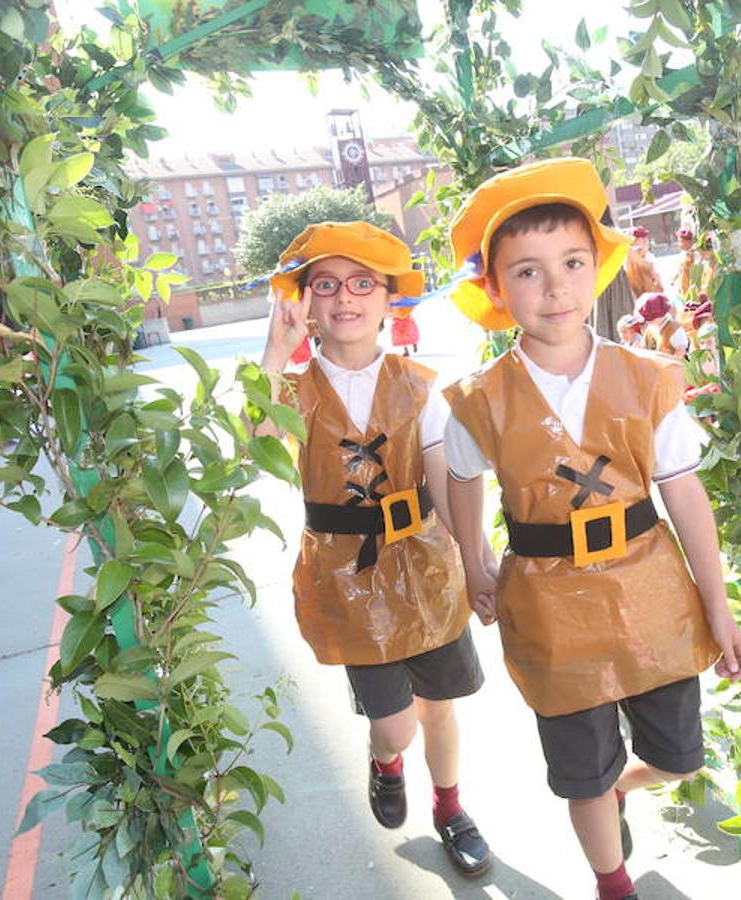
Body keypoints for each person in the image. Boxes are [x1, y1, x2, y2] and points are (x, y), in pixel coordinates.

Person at [441, 157, 741, 900]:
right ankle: (613, 881)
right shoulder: (481, 399)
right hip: (549, 608)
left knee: (680, 759)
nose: (555, 287)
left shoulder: (646, 377)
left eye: (573, 263)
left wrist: (718, 602)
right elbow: (459, 480)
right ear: (493, 288)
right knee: (581, 771)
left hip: (652, 592)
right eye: (527, 271)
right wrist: (475, 564)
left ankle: (624, 789)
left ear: (599, 267)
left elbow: (684, 491)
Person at [258, 221, 493, 876]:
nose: (345, 297)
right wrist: (276, 349)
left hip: (425, 567)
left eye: (364, 283)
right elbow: (248, 441)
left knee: (438, 710)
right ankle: (385, 759)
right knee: (396, 722)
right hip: (346, 578)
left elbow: (446, 476)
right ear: (304, 303)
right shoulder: (292, 392)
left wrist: (476, 561)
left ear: (390, 299)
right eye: (325, 285)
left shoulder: (422, 385)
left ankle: (450, 808)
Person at [638, 292, 688, 359]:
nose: (648, 321)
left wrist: (667, 364)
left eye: (652, 318)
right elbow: (642, 348)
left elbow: (680, 352)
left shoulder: (675, 329)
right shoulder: (650, 329)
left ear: (662, 314)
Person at [624, 225, 664, 296]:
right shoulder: (628, 258)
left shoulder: (649, 257)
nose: (646, 240)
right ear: (634, 241)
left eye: (645, 237)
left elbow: (658, 280)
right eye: (642, 238)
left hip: (651, 295)